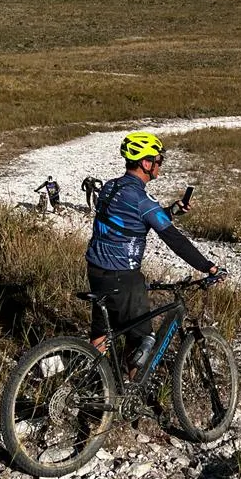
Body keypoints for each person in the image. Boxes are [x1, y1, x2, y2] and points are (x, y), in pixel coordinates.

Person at [86, 131, 221, 376]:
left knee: (101, 333)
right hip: (123, 274)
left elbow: (128, 220)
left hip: (96, 269)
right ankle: (129, 396)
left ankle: (92, 380)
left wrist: (171, 210)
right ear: (146, 163)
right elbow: (174, 239)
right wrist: (208, 267)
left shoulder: (109, 187)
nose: (160, 165)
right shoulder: (141, 198)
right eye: (158, 160)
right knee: (141, 339)